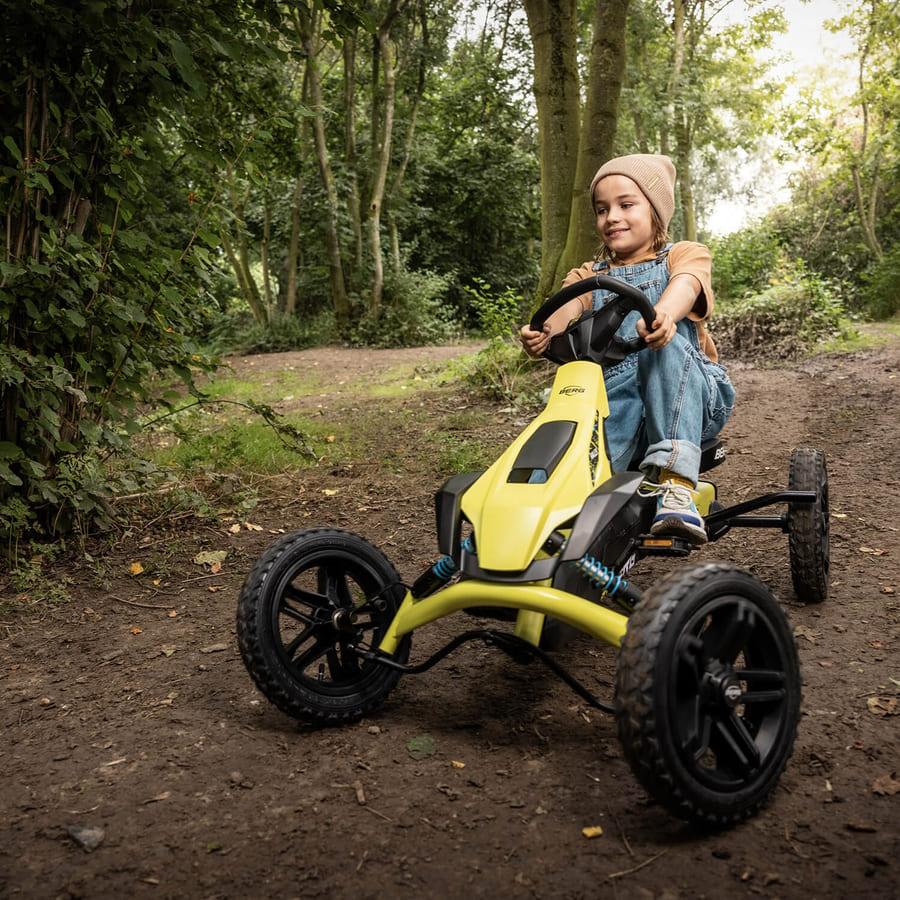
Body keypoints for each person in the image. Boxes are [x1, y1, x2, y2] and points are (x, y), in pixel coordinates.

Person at [519, 154, 734, 544]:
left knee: (662, 351)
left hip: (692, 393)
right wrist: (544, 331)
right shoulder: (590, 275)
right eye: (602, 210)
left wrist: (664, 316)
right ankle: (546, 519)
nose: (611, 217)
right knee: (583, 436)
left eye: (626, 205)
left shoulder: (684, 255)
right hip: (618, 399)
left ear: (655, 212)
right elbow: (568, 305)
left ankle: (675, 483)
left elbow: (686, 284)